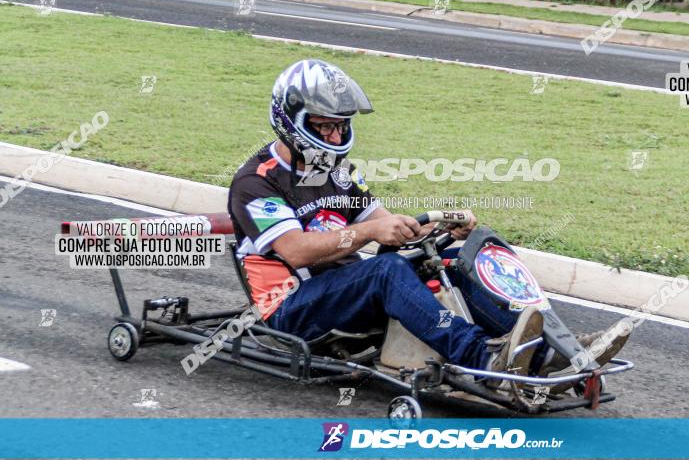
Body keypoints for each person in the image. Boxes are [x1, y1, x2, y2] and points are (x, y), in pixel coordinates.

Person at [227, 59, 629, 405]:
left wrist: (436, 226)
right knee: (386, 273)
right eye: (324, 127)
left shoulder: (338, 172)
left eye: (339, 126)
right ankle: (485, 362)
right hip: (291, 308)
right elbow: (295, 251)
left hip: (345, 291)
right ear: (292, 122)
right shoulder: (257, 182)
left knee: (456, 258)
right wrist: (370, 231)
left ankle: (550, 351)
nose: (334, 136)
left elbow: (385, 222)